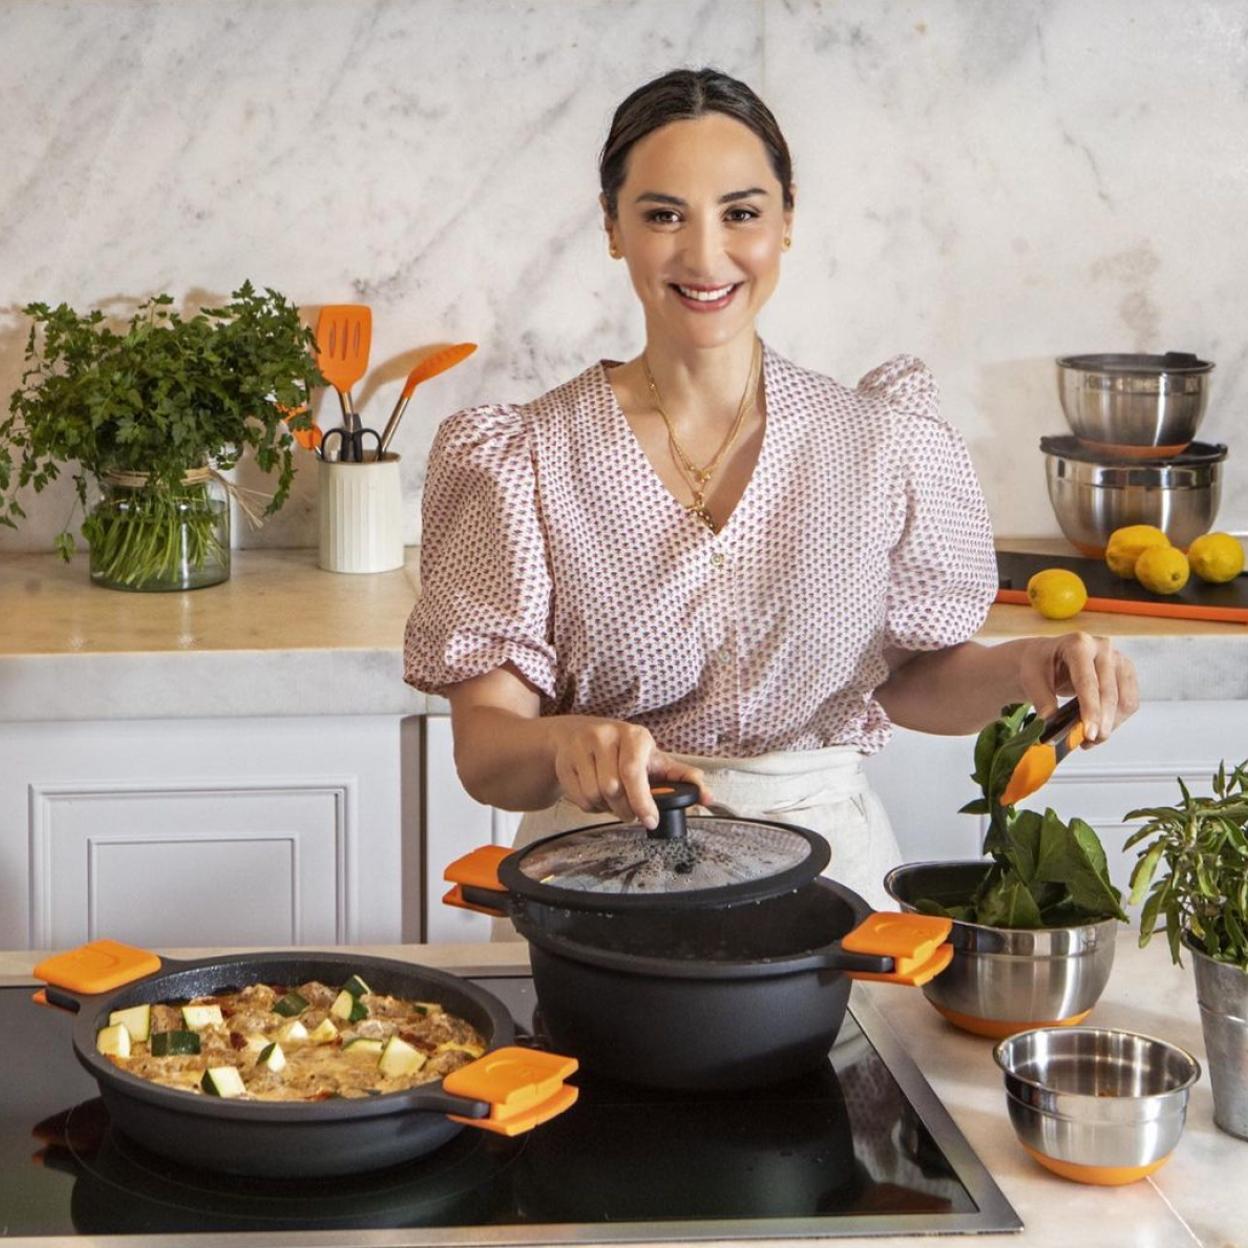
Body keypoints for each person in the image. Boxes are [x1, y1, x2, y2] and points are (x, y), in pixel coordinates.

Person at [403, 67, 1138, 921]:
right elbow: (486, 752)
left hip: (828, 889)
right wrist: (569, 740)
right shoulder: (525, 457)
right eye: (663, 214)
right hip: (598, 893)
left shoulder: (876, 440)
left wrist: (1026, 667)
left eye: (741, 213)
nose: (705, 254)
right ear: (612, 228)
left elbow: (909, 681)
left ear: (787, 220)